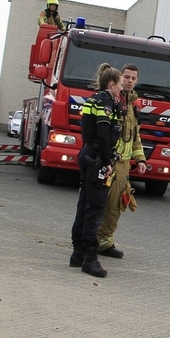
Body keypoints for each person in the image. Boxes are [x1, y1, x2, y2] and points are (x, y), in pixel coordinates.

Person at [69, 64, 123, 277]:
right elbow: (102, 134)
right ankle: (90, 259)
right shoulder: (106, 103)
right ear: (111, 84)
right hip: (97, 159)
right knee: (95, 209)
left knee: (84, 205)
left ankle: (77, 253)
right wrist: (108, 161)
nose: (121, 90)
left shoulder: (92, 100)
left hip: (88, 155)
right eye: (119, 85)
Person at [97, 63, 148, 259]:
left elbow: (135, 136)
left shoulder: (135, 104)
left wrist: (140, 158)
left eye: (134, 78)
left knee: (117, 204)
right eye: (126, 77)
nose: (130, 81)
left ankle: (104, 240)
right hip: (109, 161)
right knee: (100, 202)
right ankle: (93, 239)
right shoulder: (112, 100)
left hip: (124, 163)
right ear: (120, 78)